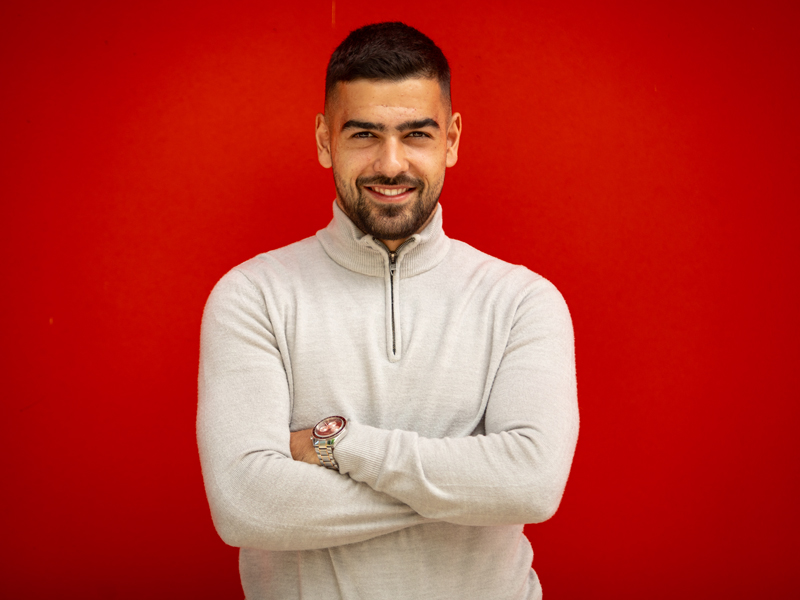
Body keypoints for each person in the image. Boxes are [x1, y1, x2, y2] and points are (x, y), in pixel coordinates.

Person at [198, 21, 579, 600]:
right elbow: (246, 506)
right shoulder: (253, 296)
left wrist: (339, 443)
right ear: (325, 140)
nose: (391, 163)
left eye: (416, 134)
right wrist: (470, 492)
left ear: (451, 139)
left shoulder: (522, 301)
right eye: (364, 134)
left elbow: (531, 486)